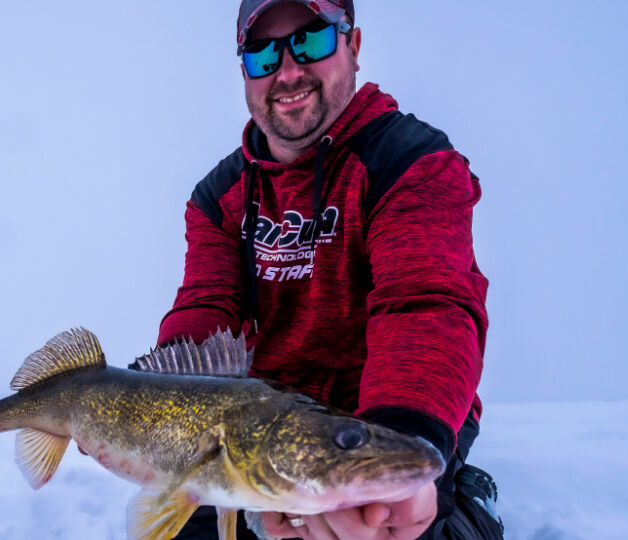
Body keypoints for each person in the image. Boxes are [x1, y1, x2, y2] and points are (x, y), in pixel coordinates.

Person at [153, 1, 503, 538]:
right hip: (266, 422)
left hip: (388, 414)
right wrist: (159, 409)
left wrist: (398, 439)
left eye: (312, 40)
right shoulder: (216, 196)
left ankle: (467, 499)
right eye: (263, 53)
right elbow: (207, 306)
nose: (288, 71)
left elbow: (421, 302)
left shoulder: (411, 159)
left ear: (354, 47)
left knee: (399, 522)